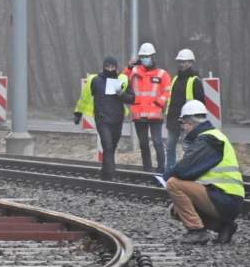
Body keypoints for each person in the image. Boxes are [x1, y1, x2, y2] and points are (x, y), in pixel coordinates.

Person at [163, 100, 244, 245]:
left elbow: (184, 169)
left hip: (224, 198)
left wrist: (166, 176)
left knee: (173, 184)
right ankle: (223, 227)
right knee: (175, 209)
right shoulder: (213, 137)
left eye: (183, 124)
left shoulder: (208, 139)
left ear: (188, 123)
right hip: (226, 198)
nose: (183, 128)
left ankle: (197, 232)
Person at [73, 56, 135, 180]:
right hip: (102, 119)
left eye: (112, 67)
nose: (110, 69)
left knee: (112, 146)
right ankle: (112, 174)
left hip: (117, 119)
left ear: (116, 68)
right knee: (108, 146)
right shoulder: (95, 80)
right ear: (104, 67)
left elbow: (132, 98)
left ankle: (104, 171)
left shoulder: (123, 79)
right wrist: (78, 113)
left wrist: (121, 94)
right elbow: (85, 97)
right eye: (108, 67)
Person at [124, 42, 171, 173]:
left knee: (157, 142)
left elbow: (167, 92)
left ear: (152, 56)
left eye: (147, 56)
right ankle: (147, 169)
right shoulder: (134, 71)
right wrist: (129, 66)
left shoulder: (162, 74)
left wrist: (159, 103)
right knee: (143, 143)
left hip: (155, 114)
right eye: (142, 56)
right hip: (139, 113)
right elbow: (122, 79)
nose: (144, 58)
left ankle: (161, 168)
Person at [165, 48, 205, 170]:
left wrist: (195, 122)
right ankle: (170, 172)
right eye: (180, 61)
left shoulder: (195, 81)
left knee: (187, 148)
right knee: (170, 147)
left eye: (184, 61)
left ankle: (188, 171)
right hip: (173, 120)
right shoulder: (175, 79)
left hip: (187, 122)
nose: (182, 64)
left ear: (190, 62)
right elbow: (171, 101)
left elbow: (200, 103)